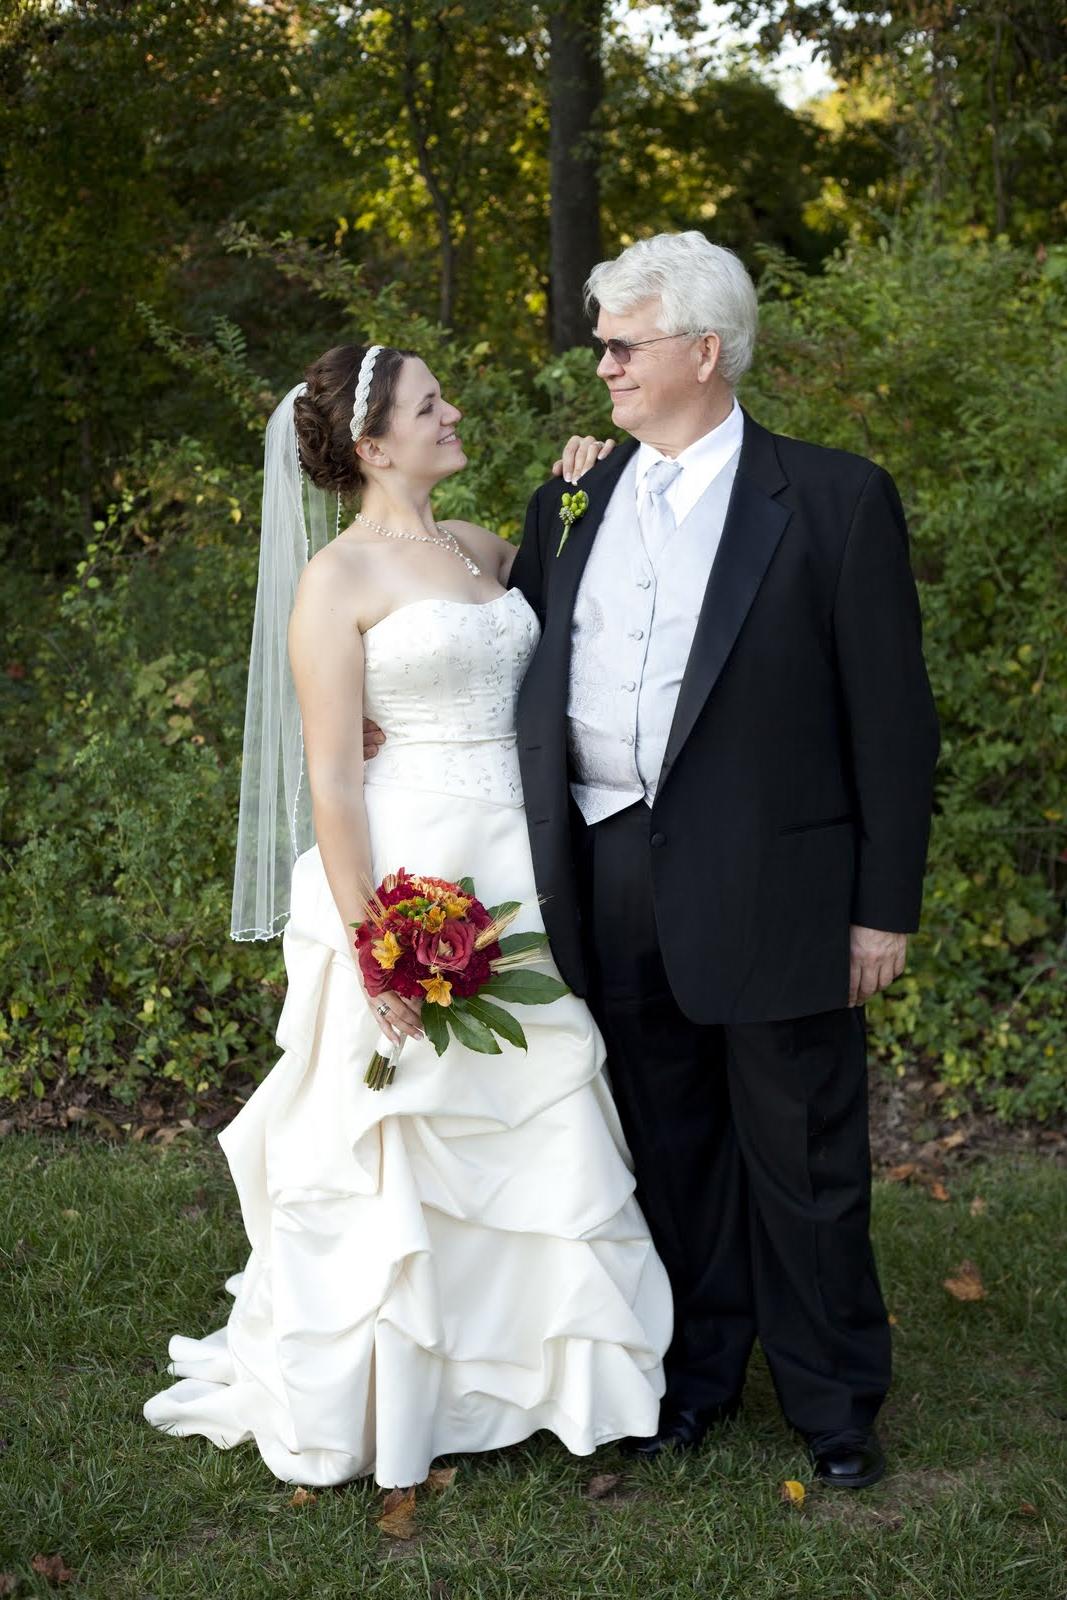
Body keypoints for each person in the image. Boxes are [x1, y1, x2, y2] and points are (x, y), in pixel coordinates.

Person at [143, 343, 672, 1489]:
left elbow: (585, 610)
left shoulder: (483, 549)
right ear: (372, 445)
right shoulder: (335, 581)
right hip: (407, 867)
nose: (453, 413)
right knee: (404, 1129)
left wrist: (583, 485)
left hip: (520, 862)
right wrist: (372, 936)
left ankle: (545, 1371)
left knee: (535, 1106)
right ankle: (399, 1380)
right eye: (430, 405)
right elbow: (331, 778)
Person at [507, 232, 940, 1491]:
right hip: (608, 867)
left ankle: (833, 1399)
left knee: (800, 1154)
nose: (602, 369)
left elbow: (892, 719)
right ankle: (691, 1380)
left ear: (705, 349)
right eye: (600, 346)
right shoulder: (569, 497)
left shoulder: (833, 496)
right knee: (667, 1144)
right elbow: (512, 655)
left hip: (779, 885)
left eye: (621, 344)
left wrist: (880, 905)